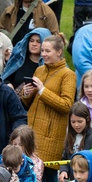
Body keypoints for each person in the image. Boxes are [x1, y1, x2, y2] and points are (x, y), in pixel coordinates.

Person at [20, 34, 75, 167]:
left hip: (50, 136)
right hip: (31, 132)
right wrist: (26, 93)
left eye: (47, 51)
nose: (43, 54)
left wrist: (42, 90)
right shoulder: (39, 70)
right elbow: (29, 102)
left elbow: (67, 105)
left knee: (46, 179)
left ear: (59, 52)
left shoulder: (68, 75)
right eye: (42, 50)